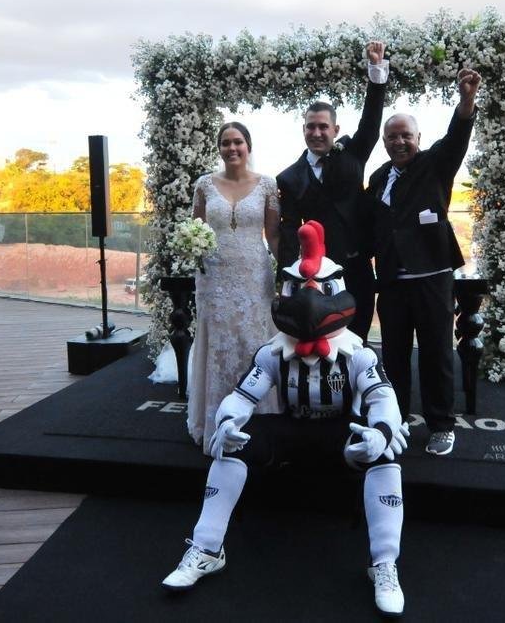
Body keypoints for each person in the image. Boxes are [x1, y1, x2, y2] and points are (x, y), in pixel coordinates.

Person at [162, 221, 410, 616]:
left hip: (340, 432)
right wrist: (227, 424)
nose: (309, 303)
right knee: (233, 446)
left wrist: (381, 432)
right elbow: (243, 396)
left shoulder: (359, 354)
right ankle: (207, 548)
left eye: (320, 291)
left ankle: (384, 563)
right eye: (297, 291)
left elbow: (383, 398)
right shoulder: (272, 353)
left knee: (384, 456)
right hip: (290, 428)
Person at [366, 68, 481, 456]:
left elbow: (457, 139)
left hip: (432, 277)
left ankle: (441, 425)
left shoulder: (435, 165)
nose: (400, 142)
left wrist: (465, 103)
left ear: (418, 139)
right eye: (392, 136)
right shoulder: (380, 177)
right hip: (393, 283)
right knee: (394, 355)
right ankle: (395, 421)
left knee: (436, 353)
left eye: (406, 136)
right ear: (384, 142)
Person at [277, 40, 387, 340]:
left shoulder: (352, 154)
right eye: (311, 126)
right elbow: (288, 232)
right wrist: (287, 279)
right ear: (304, 130)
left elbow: (371, 123)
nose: (316, 132)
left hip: (358, 269)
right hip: (318, 277)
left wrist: (376, 72)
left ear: (335, 130)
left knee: (358, 341)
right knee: (321, 343)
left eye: (323, 126)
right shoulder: (288, 178)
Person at [187, 122, 281, 447]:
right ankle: (216, 424)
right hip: (214, 276)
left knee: (253, 340)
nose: (232, 148)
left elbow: (274, 235)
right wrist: (192, 249)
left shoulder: (268, 185)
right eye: (226, 143)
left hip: (255, 274)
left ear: (248, 145)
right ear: (219, 148)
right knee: (219, 343)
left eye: (237, 142)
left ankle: (259, 421)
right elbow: (196, 229)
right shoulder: (204, 185)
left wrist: (285, 273)